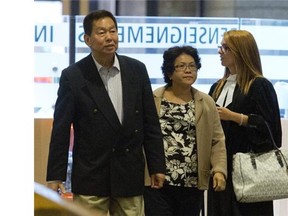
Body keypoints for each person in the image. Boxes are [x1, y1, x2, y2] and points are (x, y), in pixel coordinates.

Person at [46, 9, 166, 216]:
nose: (110, 37)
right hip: (91, 174)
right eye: (102, 32)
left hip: (129, 172)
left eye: (113, 31)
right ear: (87, 39)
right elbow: (61, 128)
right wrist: (56, 175)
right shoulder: (73, 76)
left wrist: (157, 166)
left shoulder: (137, 70)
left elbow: (150, 122)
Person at [143, 45, 227, 216]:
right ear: (169, 72)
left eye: (192, 66)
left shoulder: (206, 102)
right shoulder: (153, 99)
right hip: (158, 182)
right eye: (181, 66)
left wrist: (219, 170)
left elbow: (217, 140)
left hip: (192, 183)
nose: (188, 70)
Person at [207, 30, 282, 216]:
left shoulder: (260, 86)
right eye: (221, 47)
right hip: (220, 169)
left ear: (241, 52)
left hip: (248, 172)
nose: (220, 51)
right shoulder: (217, 87)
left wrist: (235, 117)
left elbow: (272, 133)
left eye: (226, 48)